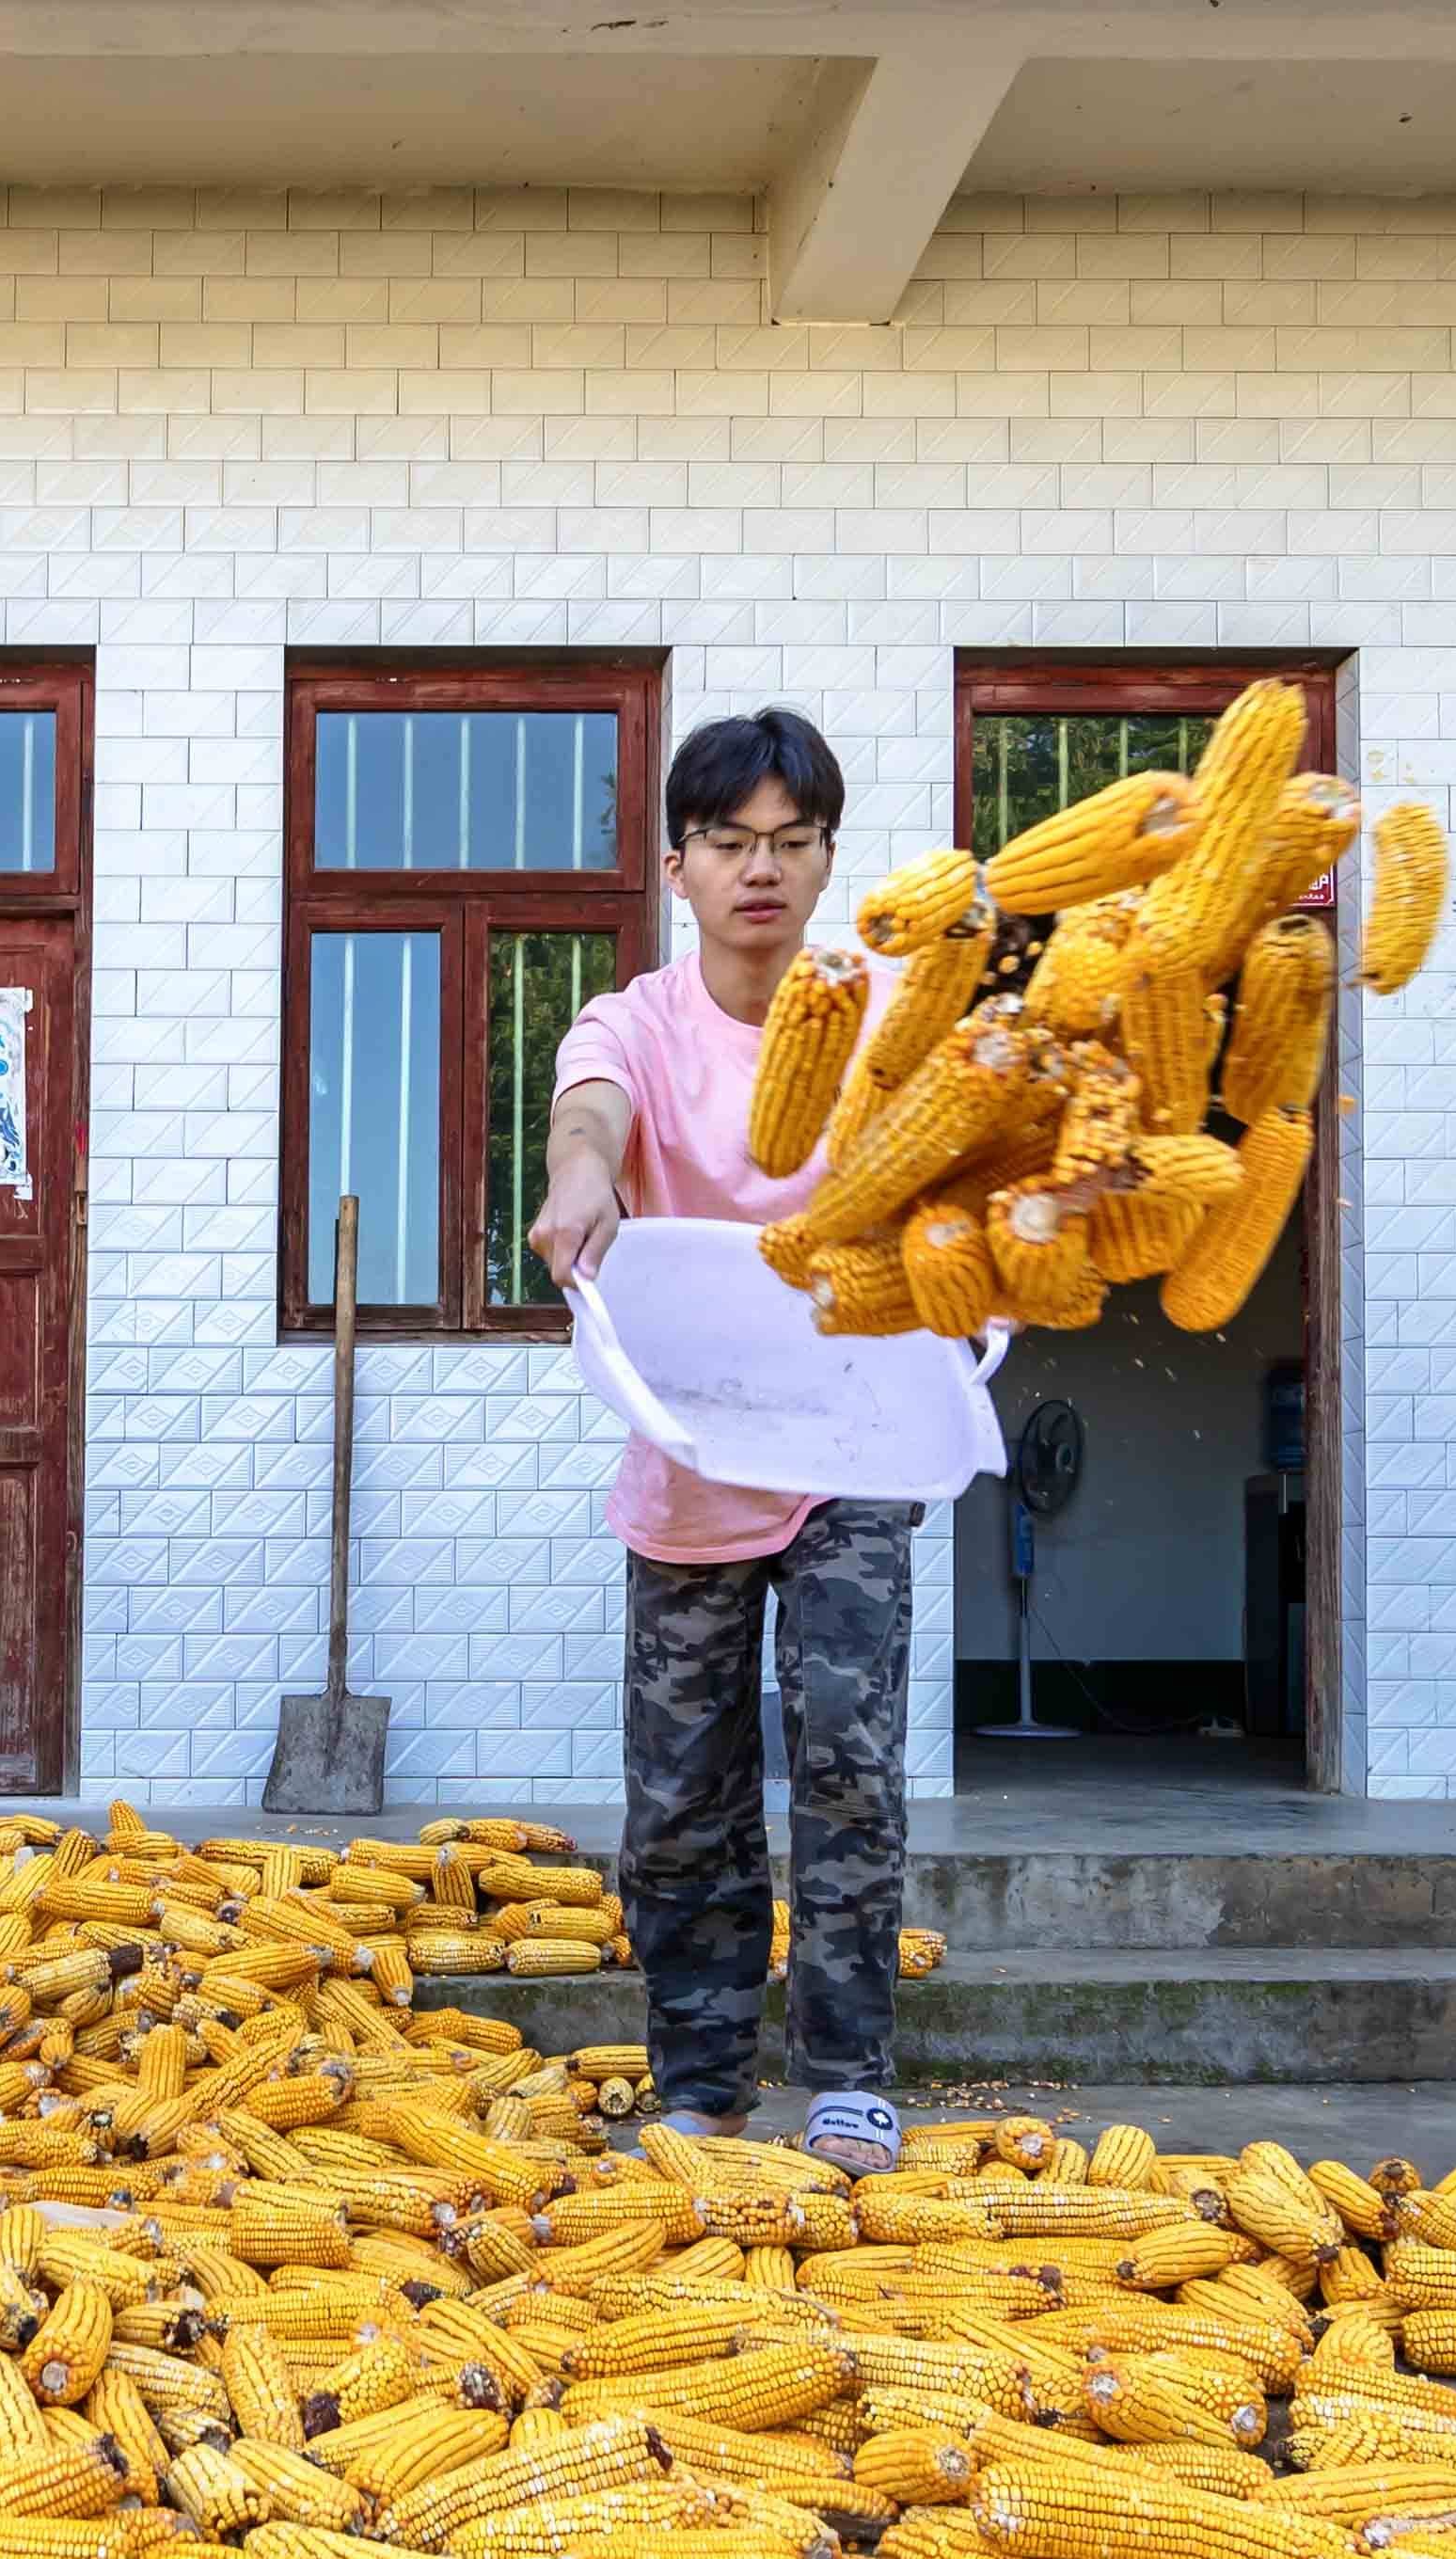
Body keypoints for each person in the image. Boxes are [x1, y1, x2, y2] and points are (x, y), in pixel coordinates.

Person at [522, 707, 911, 2175]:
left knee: (846, 1759)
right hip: (687, 1453)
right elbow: (587, 1118)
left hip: (849, 1442)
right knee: (680, 1792)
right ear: (676, 866)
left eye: (790, 843)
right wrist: (580, 1186)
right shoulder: (633, 1020)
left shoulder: (880, 1020)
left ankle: (848, 2075)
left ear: (821, 863)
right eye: (730, 843)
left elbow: (959, 1146)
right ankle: (698, 2081)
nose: (761, 869)